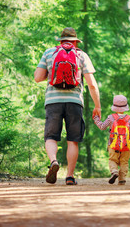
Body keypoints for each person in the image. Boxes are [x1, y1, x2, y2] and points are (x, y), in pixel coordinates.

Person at [34, 27, 101, 185]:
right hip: (75, 102)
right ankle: (70, 177)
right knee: (73, 140)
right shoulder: (82, 55)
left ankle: (53, 161)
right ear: (75, 42)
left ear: (61, 40)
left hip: (53, 101)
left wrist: (52, 75)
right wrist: (97, 106)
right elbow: (92, 84)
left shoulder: (49, 53)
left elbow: (37, 77)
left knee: (51, 137)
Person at [93, 95, 130, 185]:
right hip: (126, 146)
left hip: (113, 145)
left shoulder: (111, 117)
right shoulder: (129, 119)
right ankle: (122, 179)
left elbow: (102, 127)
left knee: (112, 160)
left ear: (114, 107)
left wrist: (96, 119)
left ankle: (114, 171)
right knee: (124, 162)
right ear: (125, 107)